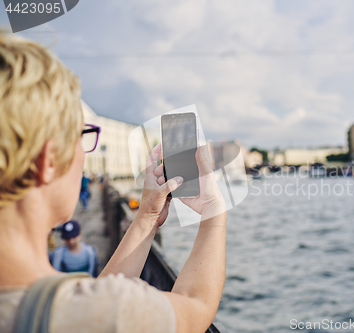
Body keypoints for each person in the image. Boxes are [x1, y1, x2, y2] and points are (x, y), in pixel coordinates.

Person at [0, 33, 227, 333]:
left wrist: (146, 216)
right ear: (49, 160)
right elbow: (194, 304)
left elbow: (95, 298)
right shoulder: (101, 313)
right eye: (82, 136)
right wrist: (214, 211)